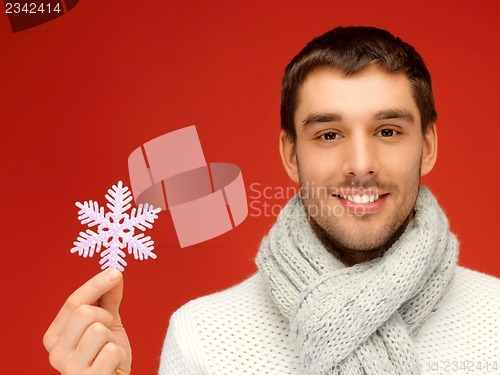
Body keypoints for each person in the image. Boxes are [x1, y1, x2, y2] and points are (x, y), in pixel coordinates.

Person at [44, 26, 499, 375]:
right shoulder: (204, 337)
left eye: (387, 131)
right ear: (289, 154)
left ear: (428, 145)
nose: (361, 164)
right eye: (328, 134)